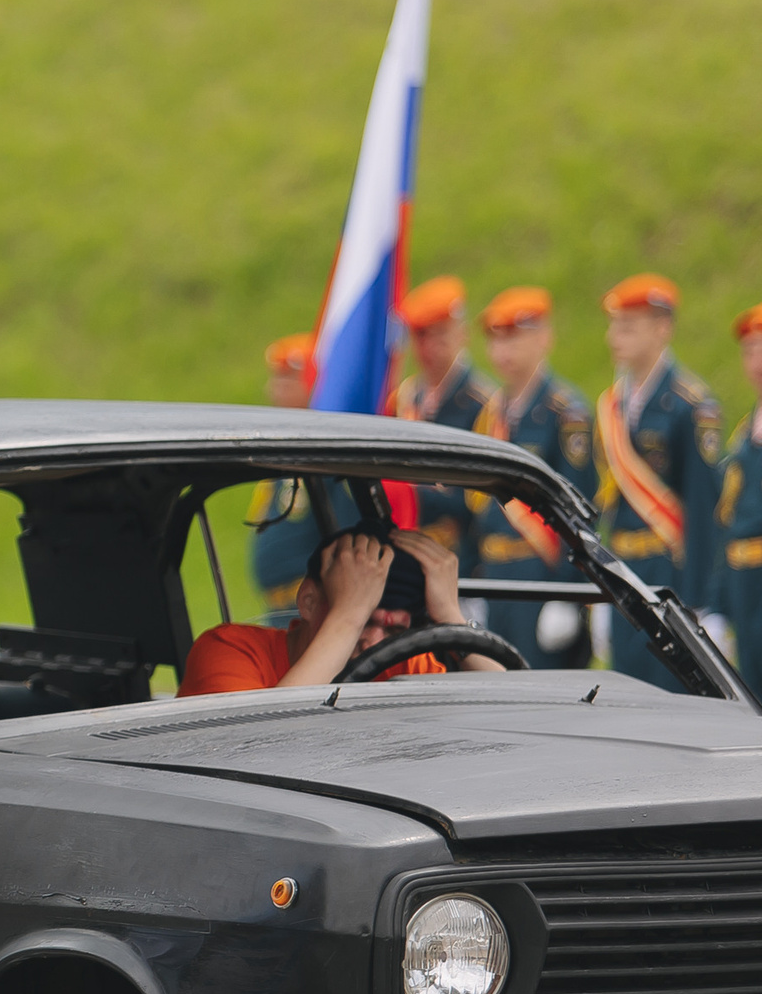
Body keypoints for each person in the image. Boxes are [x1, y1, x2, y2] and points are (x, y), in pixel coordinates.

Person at [180, 527, 503, 695]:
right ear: (308, 601)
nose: (374, 643)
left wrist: (451, 617)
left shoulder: (399, 664)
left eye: (394, 631)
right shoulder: (231, 650)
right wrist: (348, 617)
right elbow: (252, 745)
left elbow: (509, 709)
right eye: (363, 621)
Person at [595, 273, 724, 686]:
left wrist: (703, 601)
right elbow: (609, 501)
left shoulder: (690, 405)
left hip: (670, 571)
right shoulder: (612, 405)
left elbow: (703, 507)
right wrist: (602, 587)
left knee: (672, 693)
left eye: (628, 327)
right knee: (626, 692)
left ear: (662, 328)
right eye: (614, 325)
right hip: (625, 573)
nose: (614, 337)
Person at [465, 287, 597, 668]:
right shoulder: (491, 414)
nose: (502, 351)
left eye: (514, 338)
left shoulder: (565, 413)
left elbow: (578, 507)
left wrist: (568, 593)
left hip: (540, 575)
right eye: (496, 339)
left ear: (543, 338)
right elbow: (479, 505)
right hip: (495, 575)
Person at [391, 275, 495, 560]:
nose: (429, 347)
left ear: (462, 333)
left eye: (440, 335)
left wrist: (413, 490)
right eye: (420, 336)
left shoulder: (483, 403)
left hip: (459, 554)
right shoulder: (405, 398)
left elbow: (480, 499)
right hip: (406, 548)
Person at [251, 334, 332, 611]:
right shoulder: (284, 452)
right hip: (279, 606)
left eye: (286, 380)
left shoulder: (326, 457)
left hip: (311, 602)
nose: (273, 390)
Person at [716, 304, 762, 688]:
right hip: (746, 587)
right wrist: (717, 605)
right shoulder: (745, 432)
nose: (757, 362)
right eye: (750, 350)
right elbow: (728, 523)